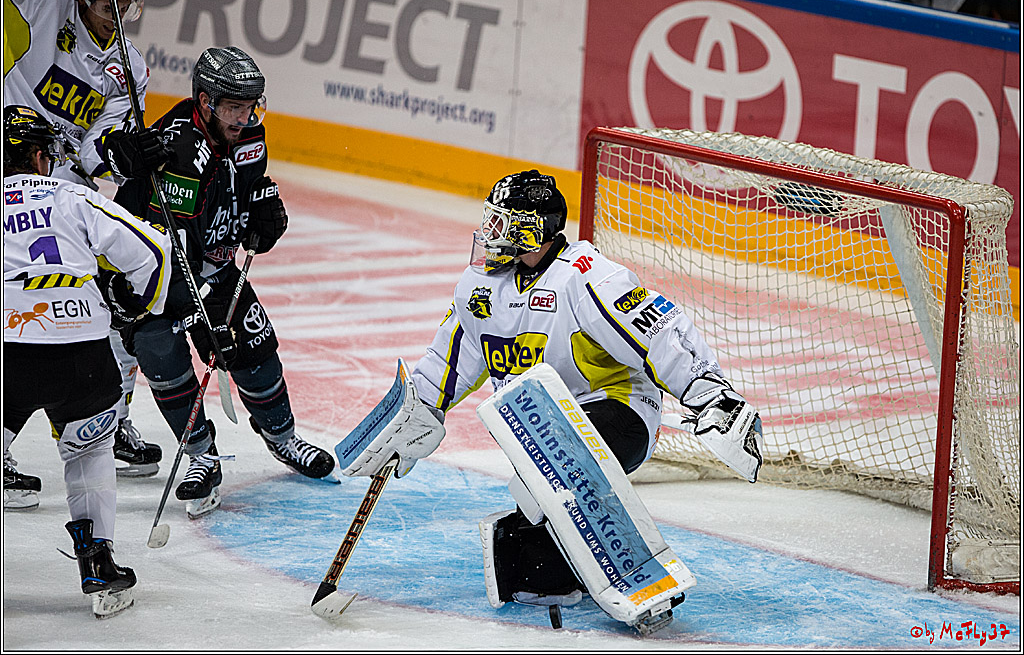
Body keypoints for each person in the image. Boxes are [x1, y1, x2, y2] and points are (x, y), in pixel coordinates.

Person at [341, 170, 764, 629]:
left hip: (619, 410)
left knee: (560, 461)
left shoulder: (585, 276)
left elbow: (658, 332)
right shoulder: (480, 286)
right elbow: (449, 358)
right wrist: (415, 413)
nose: (489, 233)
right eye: (489, 221)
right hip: (539, 427)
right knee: (532, 554)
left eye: (501, 223)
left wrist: (709, 395)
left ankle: (636, 574)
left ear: (530, 229)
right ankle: (561, 568)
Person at [113, 45, 335, 518]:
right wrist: (202, 319)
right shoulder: (178, 152)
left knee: (255, 346)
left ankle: (282, 437)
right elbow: (170, 251)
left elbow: (249, 187)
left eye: (250, 105)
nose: (244, 116)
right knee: (159, 350)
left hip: (212, 267)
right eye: (234, 106)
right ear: (205, 101)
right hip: (153, 280)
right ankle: (201, 455)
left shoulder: (249, 133)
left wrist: (263, 213)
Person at [4, 0, 170, 492]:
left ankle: (107, 420)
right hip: (8, 168)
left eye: (127, 1)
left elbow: (97, 152)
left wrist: (123, 153)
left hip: (61, 191)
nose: (116, 13)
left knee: (109, 304)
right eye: (107, 2)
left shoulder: (130, 68)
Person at [2, 105, 171, 616]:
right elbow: (154, 254)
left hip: (8, 351)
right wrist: (138, 310)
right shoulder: (72, 196)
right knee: (89, 452)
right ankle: (98, 565)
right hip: (82, 352)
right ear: (40, 156)